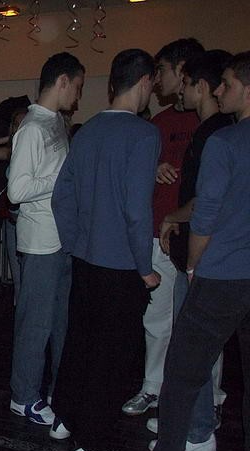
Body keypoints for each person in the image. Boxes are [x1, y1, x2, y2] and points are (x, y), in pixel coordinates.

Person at [51, 49, 160, 451]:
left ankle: (65, 419)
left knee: (81, 344)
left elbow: (62, 197)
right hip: (121, 266)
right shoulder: (143, 134)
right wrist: (145, 266)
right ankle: (92, 449)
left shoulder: (89, 129)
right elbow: (137, 210)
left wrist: (77, 242)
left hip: (87, 260)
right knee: (111, 359)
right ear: (146, 81)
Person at [149, 51, 250, 451]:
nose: (221, 90)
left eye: (228, 83)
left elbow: (205, 217)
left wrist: (192, 268)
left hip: (223, 273)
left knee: (182, 372)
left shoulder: (225, 142)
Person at [122, 38, 204, 417]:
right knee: (156, 319)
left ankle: (204, 401)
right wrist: (154, 169)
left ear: (182, 70)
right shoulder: (158, 124)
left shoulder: (210, 122)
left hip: (198, 235)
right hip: (158, 233)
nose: (157, 80)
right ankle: (152, 388)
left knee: (198, 324)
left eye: (163, 71)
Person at [7, 52, 85, 435]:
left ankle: (54, 391)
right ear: (63, 81)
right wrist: (59, 179)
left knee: (58, 323)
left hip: (59, 238)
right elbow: (16, 190)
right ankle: (23, 396)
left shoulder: (54, 122)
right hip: (39, 242)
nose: (78, 96)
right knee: (35, 325)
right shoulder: (32, 128)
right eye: (78, 87)